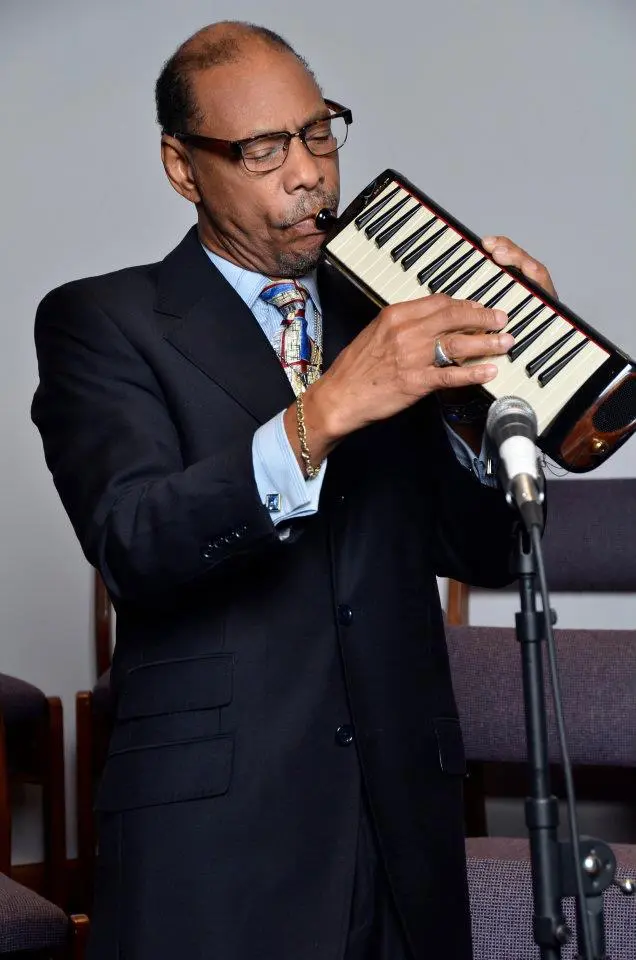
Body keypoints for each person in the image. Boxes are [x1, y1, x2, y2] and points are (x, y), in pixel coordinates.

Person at [31, 21, 557, 960]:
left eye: (319, 134)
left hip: (406, 818)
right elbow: (135, 539)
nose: (308, 173)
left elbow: (485, 553)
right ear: (183, 168)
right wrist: (329, 408)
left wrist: (500, 389)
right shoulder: (100, 320)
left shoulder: (394, 317)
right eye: (264, 149)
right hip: (218, 830)